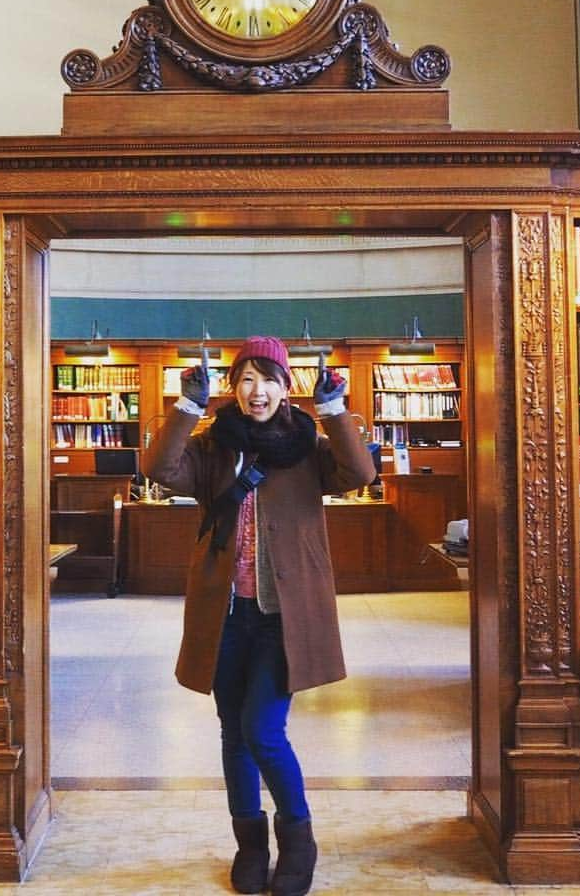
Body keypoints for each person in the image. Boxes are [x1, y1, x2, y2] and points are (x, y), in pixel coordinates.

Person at [143, 336, 375, 896]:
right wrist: (187, 408)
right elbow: (159, 468)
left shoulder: (308, 445)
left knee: (262, 730)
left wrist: (335, 411)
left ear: (286, 386)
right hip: (224, 614)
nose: (257, 390)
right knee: (232, 733)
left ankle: (299, 841)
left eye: (268, 378)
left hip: (282, 617)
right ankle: (250, 846)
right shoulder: (212, 447)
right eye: (246, 379)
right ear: (233, 388)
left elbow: (360, 472)